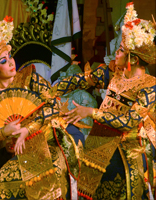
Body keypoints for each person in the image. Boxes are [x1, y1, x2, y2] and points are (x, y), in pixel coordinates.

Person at [0, 16, 85, 200]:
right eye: (3, 61)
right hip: (17, 150)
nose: (10, 62)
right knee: (5, 179)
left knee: (49, 179)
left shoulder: (29, 78)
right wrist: (4, 131)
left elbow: (53, 106)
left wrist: (28, 128)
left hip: (46, 141)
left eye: (9, 56)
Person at [59, 2, 156, 199]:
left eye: (120, 50)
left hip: (131, 145)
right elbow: (83, 80)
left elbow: (129, 121)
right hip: (100, 139)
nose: (115, 53)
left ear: (134, 59)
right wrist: (51, 90)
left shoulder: (150, 86)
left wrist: (90, 112)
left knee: (118, 176)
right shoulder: (114, 71)